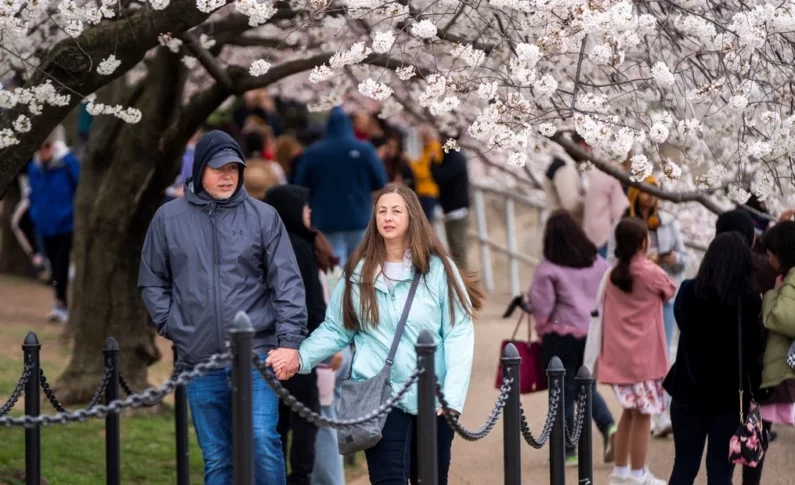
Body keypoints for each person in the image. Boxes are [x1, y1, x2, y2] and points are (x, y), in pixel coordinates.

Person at [267, 183, 484, 485]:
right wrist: (300, 357)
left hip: (433, 399)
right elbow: (336, 328)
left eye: (396, 210)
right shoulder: (360, 271)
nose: (388, 217)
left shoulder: (439, 270)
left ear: (412, 217)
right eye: (382, 211)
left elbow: (459, 334)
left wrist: (453, 398)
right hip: (379, 399)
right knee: (387, 480)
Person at [138, 130, 308, 485]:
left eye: (234, 167)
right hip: (198, 357)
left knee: (262, 439)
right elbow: (152, 280)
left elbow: (287, 283)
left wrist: (290, 341)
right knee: (217, 457)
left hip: (257, 354)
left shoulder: (264, 217)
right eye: (219, 168)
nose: (228, 175)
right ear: (200, 169)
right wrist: (173, 324)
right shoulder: (168, 219)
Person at [664, 232, 763, 484]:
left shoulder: (688, 291)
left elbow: (684, 327)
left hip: (687, 393)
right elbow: (753, 352)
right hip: (728, 400)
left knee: (684, 466)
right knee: (720, 471)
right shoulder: (748, 301)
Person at [528, 210, 617, 466]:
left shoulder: (548, 268)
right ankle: (609, 426)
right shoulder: (597, 263)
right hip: (591, 336)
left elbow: (543, 307)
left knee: (563, 394)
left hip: (560, 337)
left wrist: (540, 323)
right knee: (585, 386)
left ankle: (568, 451)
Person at [607, 175, 686, 437]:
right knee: (642, 356)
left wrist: (672, 259)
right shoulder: (624, 223)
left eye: (653, 191)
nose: (648, 196)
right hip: (637, 293)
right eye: (643, 191)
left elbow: (683, 261)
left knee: (664, 354)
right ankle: (648, 411)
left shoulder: (668, 223)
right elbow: (612, 259)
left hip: (661, 296)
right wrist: (642, 262)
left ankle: (661, 412)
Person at [599, 217, 676, 485]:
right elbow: (670, 290)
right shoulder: (650, 272)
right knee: (644, 415)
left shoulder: (612, 274)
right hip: (644, 360)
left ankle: (620, 472)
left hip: (619, 359)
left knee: (628, 413)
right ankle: (638, 473)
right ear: (644, 242)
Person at [266, 184, 329, 485]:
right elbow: (312, 302)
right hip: (300, 344)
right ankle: (299, 476)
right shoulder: (300, 247)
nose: (310, 213)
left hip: (272, 341)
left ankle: (276, 474)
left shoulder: (270, 242)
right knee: (306, 412)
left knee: (280, 416)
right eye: (305, 207)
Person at [295, 106, 388, 265]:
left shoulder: (313, 152)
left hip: (325, 218)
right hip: (358, 216)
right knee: (359, 266)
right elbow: (380, 180)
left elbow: (300, 184)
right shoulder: (365, 149)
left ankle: (338, 290)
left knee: (335, 266)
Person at [27, 125, 80, 323]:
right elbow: (33, 194)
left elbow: (79, 188)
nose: (43, 153)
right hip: (45, 224)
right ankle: (58, 302)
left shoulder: (67, 164)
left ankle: (62, 303)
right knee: (53, 266)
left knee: (61, 263)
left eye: (46, 147)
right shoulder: (35, 168)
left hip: (66, 224)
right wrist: (35, 215)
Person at [582, 135, 629, 257]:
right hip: (603, 234)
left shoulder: (599, 171)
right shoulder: (614, 174)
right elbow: (619, 211)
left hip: (589, 229)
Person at [430, 131, 471, 271]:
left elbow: (440, 176)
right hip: (454, 207)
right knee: (455, 247)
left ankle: (463, 282)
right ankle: (460, 279)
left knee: (457, 248)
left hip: (456, 209)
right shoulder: (453, 156)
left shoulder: (455, 157)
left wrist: (432, 164)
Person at [410, 126, 443, 221]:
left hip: (428, 191)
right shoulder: (427, 149)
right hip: (423, 190)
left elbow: (425, 172)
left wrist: (411, 163)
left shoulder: (434, 150)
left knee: (426, 221)